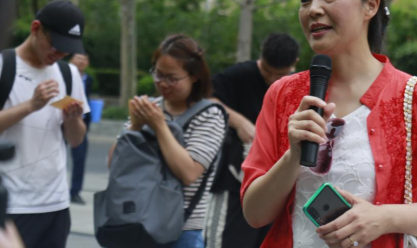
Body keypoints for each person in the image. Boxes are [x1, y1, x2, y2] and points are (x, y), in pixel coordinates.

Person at [241, 0, 417, 248]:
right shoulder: (282, 94)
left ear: (370, 5)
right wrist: (293, 155)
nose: (313, 9)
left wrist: (384, 218)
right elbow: (254, 214)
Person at [109, 34, 227, 248]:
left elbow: (189, 173)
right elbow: (114, 164)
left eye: (172, 78)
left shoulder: (210, 115)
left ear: (194, 76)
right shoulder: (149, 107)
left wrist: (159, 126)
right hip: (138, 222)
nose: (163, 83)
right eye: (158, 74)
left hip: (181, 229)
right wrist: (134, 127)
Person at [0, 0, 90, 248]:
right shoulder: (4, 66)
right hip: (12, 204)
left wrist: (73, 120)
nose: (60, 54)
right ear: (36, 28)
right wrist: (31, 105)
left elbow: (76, 140)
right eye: (56, 45)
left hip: (55, 204)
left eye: (67, 49)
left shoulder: (68, 74)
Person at [207, 33, 299, 248]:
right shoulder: (240, 75)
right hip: (234, 180)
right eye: (267, 71)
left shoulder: (297, 85)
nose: (272, 79)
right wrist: (238, 122)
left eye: (280, 74)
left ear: (295, 63)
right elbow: (206, 98)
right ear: (260, 57)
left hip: (275, 187)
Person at [69, 52, 93, 205]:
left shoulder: (88, 79)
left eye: (84, 59)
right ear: (71, 60)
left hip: (80, 123)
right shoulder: (62, 75)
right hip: (60, 121)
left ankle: (75, 191)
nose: (81, 61)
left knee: (80, 158)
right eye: (78, 58)